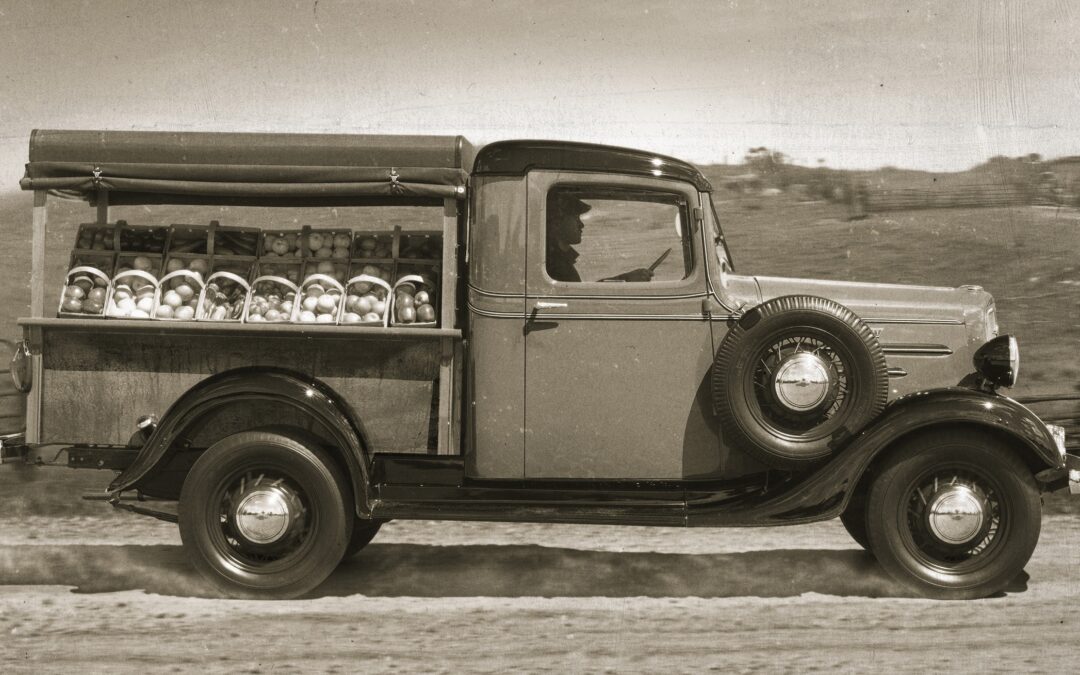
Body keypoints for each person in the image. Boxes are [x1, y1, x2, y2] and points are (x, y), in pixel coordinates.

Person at [546, 194, 654, 282]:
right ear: (556, 223)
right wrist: (626, 279)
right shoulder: (554, 265)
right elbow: (582, 298)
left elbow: (581, 294)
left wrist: (626, 278)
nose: (581, 225)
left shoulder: (557, 259)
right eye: (575, 218)